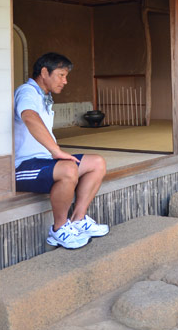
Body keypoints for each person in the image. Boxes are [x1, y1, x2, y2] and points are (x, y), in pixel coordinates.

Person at [14, 52, 109, 249]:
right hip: (22, 166)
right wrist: (56, 151)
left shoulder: (44, 95)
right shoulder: (27, 92)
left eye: (66, 76)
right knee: (68, 169)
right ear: (44, 72)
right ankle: (58, 229)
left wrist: (54, 154)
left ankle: (78, 220)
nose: (65, 81)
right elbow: (29, 117)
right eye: (61, 75)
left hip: (43, 161)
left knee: (97, 163)